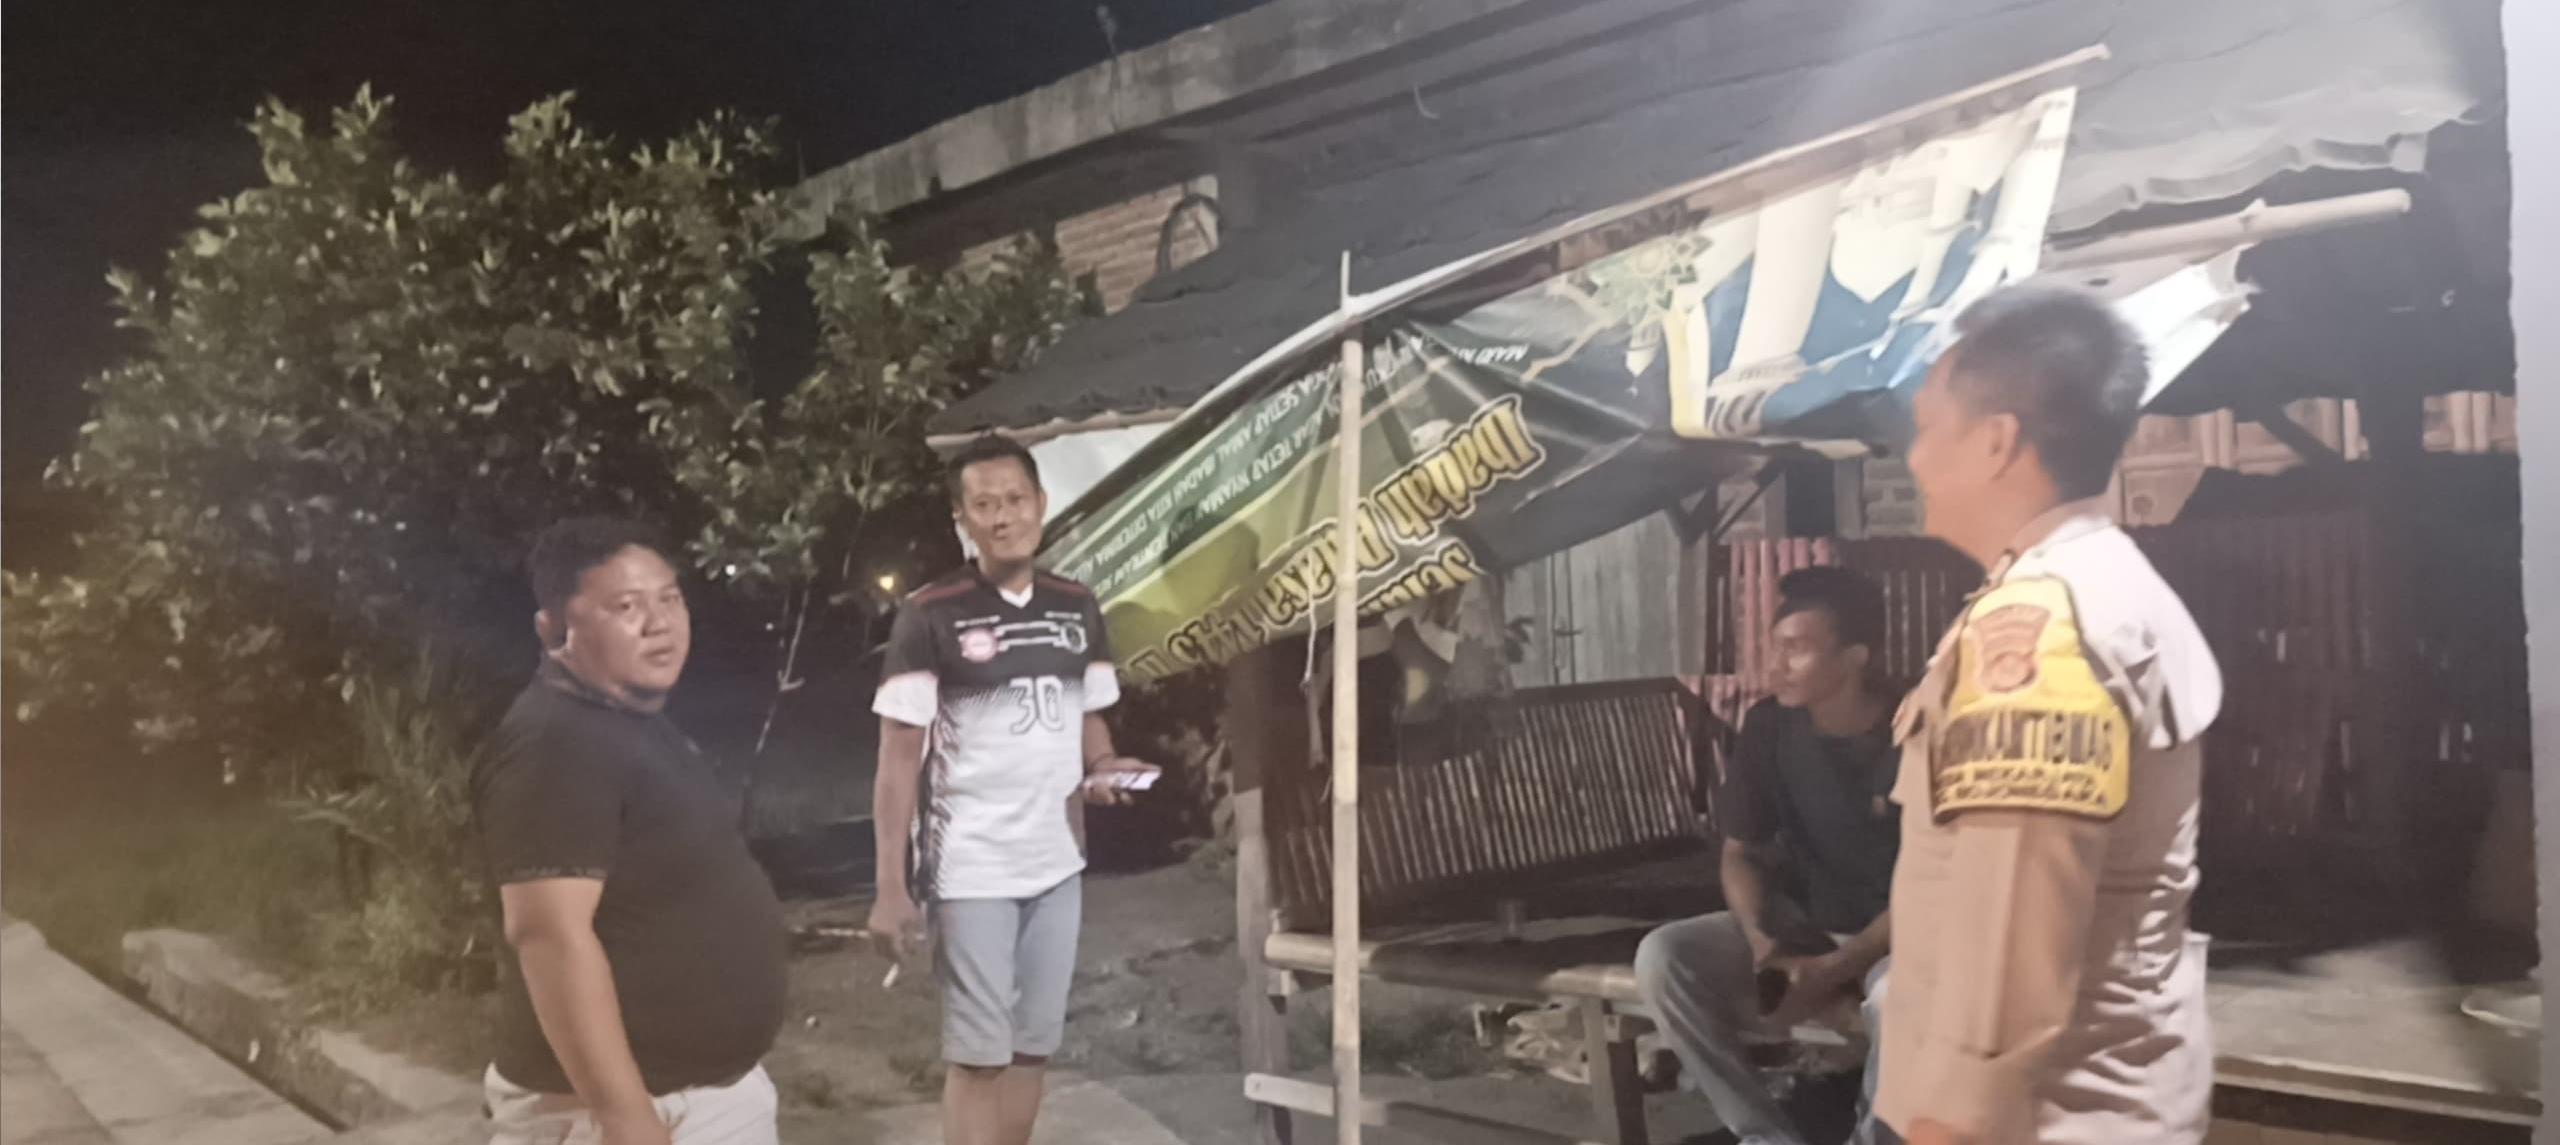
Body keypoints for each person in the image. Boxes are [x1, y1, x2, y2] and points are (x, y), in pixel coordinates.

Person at [1876, 286, 2222, 1145]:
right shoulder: (2099, 583)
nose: (1913, 457)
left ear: (1997, 441)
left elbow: (2008, 937)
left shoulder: (2040, 630)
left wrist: (1952, 1123)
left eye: (1927, 427)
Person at [868, 435, 1159, 1145]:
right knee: (979, 1057)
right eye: (984, 505)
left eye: (1015, 500)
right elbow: (897, 760)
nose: (1003, 517)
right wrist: (890, 887)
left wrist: (1104, 764)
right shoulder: (929, 614)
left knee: (1032, 1048)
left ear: (1041, 504)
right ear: (962, 520)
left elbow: (1089, 713)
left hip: (1057, 862)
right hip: (970, 867)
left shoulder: (1076, 605)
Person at [475, 517, 787, 1145]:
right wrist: (625, 1118)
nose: (659, 623)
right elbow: (549, 935)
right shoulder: (554, 744)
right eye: (626, 607)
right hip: (622, 1113)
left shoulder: (624, 720)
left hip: (699, 1098)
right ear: (554, 630)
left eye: (669, 598)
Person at [1633, 565, 1901, 1145]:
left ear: (1855, 657)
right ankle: (1764, 1137)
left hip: (1900, 938)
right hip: (1805, 925)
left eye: (1795, 649)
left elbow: (1937, 888)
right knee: (1664, 957)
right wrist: (1764, 946)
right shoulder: (1771, 724)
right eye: (1774, 648)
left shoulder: (1914, 729)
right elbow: (1741, 851)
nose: (1775, 666)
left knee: (1897, 1001)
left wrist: (1834, 971)